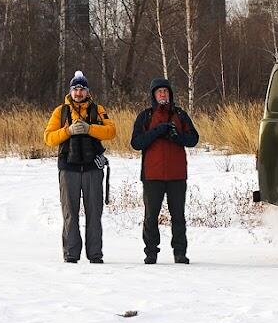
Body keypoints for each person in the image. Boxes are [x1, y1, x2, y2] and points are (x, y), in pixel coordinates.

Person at [43, 71, 116, 264]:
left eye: (82, 88)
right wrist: (68, 131)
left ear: (87, 91)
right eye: (75, 88)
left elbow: (111, 131)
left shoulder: (97, 110)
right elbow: (49, 138)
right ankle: (71, 255)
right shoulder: (61, 112)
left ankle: (95, 255)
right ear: (70, 91)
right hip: (68, 169)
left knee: (94, 214)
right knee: (70, 214)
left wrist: (90, 129)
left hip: (93, 169)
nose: (78, 92)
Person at [130, 77, 199, 264]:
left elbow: (193, 140)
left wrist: (177, 136)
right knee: (151, 216)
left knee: (178, 216)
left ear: (170, 94)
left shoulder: (180, 115)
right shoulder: (145, 116)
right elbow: (136, 143)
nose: (163, 94)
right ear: (153, 95)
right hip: (152, 176)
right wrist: (157, 131)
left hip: (177, 175)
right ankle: (151, 252)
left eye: (166, 91)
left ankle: (180, 252)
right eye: (159, 91)